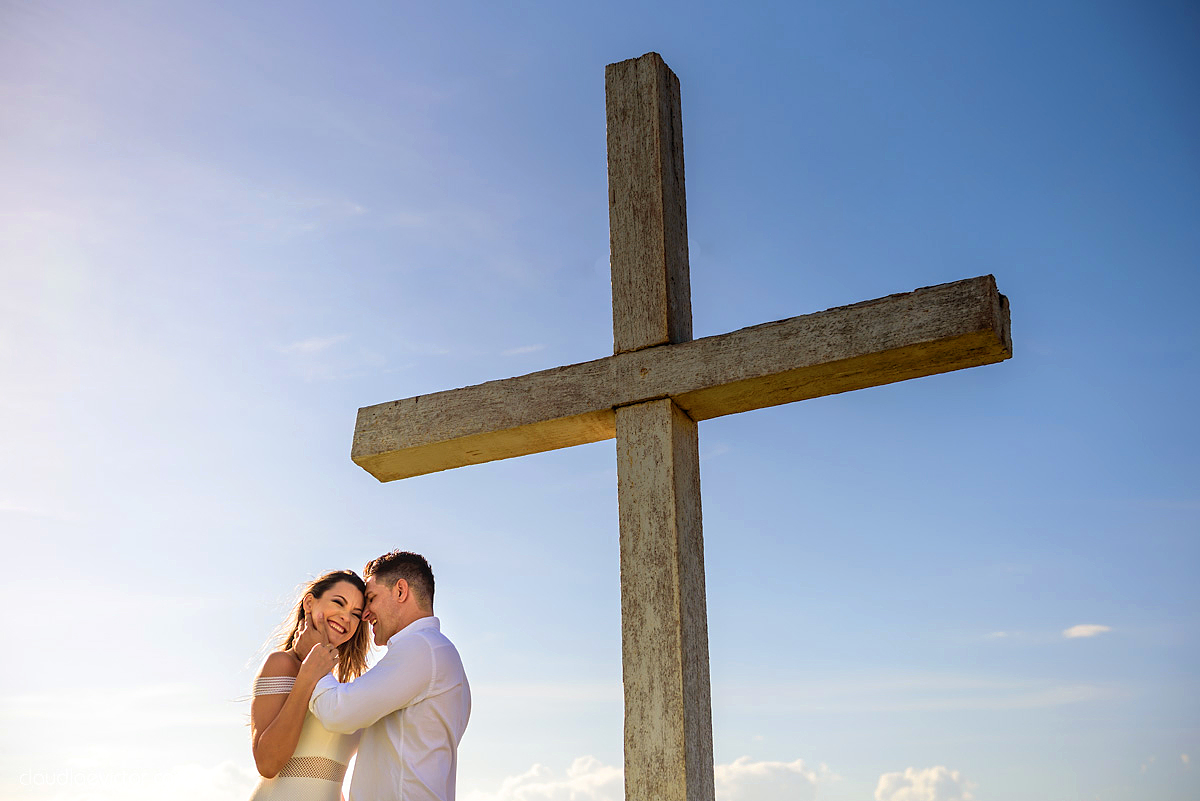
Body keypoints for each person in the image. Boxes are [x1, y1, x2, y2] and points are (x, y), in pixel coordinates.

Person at [309, 550, 471, 801]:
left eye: (371, 598)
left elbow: (337, 712)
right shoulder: (436, 652)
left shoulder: (421, 648)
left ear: (400, 591)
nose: (365, 614)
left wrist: (314, 657)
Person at [248, 570, 371, 801]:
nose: (346, 617)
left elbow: (327, 776)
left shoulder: (338, 686)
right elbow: (268, 764)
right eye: (338, 603)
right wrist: (307, 674)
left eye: (355, 613)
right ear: (310, 603)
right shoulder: (281, 664)